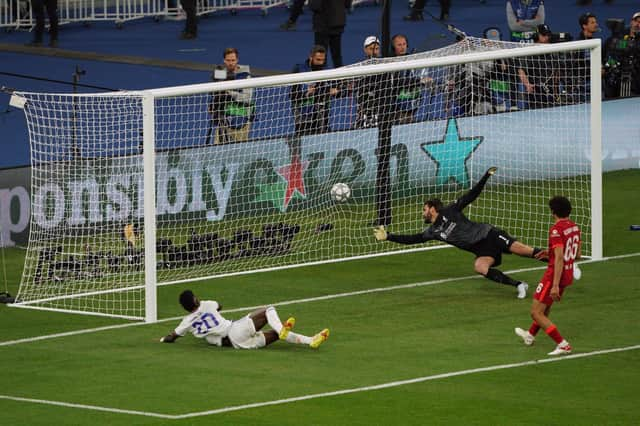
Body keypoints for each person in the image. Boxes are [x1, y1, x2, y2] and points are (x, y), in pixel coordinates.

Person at [374, 167, 546, 299]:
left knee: (527, 252)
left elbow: (471, 195)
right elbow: (414, 239)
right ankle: (519, 285)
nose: (422, 213)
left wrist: (485, 176)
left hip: (490, 235)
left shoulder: (451, 210)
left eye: (424, 209)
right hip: (482, 250)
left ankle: (564, 261)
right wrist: (389, 236)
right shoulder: (433, 231)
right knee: (480, 267)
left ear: (433, 209)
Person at [515, 196, 581, 356]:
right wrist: (550, 253)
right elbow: (577, 255)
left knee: (536, 312)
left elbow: (559, 258)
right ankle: (530, 335)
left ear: (553, 211)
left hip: (554, 275)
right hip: (567, 274)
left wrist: (555, 284)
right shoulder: (574, 227)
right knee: (545, 307)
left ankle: (563, 344)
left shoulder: (556, 230)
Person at [160, 290, 330, 349]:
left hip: (236, 345)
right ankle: (281, 330)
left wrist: (162, 339)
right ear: (195, 299)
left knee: (275, 335)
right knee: (267, 310)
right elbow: (220, 306)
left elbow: (171, 337)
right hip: (234, 330)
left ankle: (311, 340)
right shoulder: (207, 304)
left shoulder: (186, 322)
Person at [290, 45, 340, 135]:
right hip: (303, 118)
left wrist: (336, 92)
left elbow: (339, 90)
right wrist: (306, 94)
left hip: (322, 116)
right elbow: (292, 96)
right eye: (318, 60)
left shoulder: (327, 71)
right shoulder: (299, 70)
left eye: (323, 60)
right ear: (311, 57)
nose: (321, 63)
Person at [209, 48, 254, 145]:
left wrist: (229, 93)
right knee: (217, 147)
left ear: (237, 60)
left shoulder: (245, 76)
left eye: (233, 60)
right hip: (222, 117)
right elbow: (215, 93)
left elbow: (247, 98)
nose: (230, 63)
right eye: (228, 60)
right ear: (224, 60)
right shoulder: (220, 73)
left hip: (240, 118)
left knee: (239, 150)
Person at [516, 24, 560, 109]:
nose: (547, 37)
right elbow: (521, 70)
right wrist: (527, 84)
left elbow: (556, 71)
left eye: (548, 35)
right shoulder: (530, 51)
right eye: (544, 35)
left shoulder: (552, 50)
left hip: (549, 88)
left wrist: (555, 89)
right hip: (535, 88)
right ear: (536, 36)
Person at [310, 0, 351, 68]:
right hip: (338, 22)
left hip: (323, 23)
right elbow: (347, 4)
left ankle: (321, 77)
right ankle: (340, 77)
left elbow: (314, 6)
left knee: (319, 56)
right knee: (337, 56)